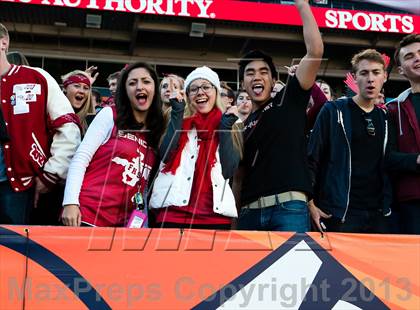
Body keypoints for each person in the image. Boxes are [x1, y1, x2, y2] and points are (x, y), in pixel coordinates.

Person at [236, 0, 323, 232]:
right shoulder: (240, 127)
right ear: (243, 83)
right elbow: (239, 178)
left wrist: (303, 5)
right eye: (250, 73)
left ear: (274, 80)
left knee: (294, 270)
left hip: (289, 208)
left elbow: (315, 52)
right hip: (249, 212)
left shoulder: (289, 99)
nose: (257, 77)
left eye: (264, 72)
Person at [62, 62, 165, 227]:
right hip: (87, 215)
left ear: (155, 89)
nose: (139, 87)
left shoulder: (155, 130)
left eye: (146, 81)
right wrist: (70, 203)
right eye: (132, 83)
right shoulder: (110, 114)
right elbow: (81, 158)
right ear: (125, 90)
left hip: (122, 225)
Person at [0, 23, 81, 224]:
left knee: (15, 251)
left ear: (3, 42)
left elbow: (68, 126)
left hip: (18, 188)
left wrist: (51, 174)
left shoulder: (36, 77)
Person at [308, 49, 391, 233]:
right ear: (354, 77)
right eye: (364, 73)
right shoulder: (333, 111)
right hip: (339, 214)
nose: (370, 79)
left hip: (379, 215)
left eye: (376, 73)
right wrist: (310, 203)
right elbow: (311, 158)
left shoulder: (387, 117)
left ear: (384, 77)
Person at [149, 66, 242, 229]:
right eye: (193, 89)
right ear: (187, 95)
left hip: (215, 218)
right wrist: (177, 114)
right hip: (173, 213)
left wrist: (225, 128)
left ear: (216, 92)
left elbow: (228, 170)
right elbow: (166, 156)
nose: (200, 92)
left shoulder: (230, 123)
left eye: (206, 87)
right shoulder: (176, 118)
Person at [386, 33, 420, 234]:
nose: (417, 58)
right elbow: (387, 157)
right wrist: (416, 160)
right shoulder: (392, 109)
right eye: (409, 56)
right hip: (412, 202)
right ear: (401, 70)